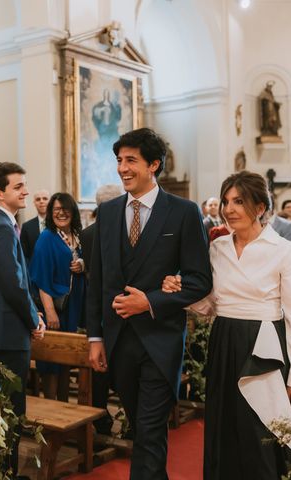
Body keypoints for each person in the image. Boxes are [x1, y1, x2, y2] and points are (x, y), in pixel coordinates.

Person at [164, 172, 291, 479]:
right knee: (226, 429)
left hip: (264, 346)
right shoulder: (217, 248)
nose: (229, 209)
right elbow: (210, 305)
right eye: (226, 201)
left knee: (263, 431)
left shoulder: (284, 251)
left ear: (260, 207)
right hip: (224, 343)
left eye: (238, 201)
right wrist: (180, 292)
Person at [87, 128, 212, 479]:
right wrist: (95, 338)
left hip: (161, 338)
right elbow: (98, 281)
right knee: (141, 429)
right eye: (119, 161)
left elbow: (200, 280)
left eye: (131, 161)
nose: (122, 168)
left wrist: (151, 302)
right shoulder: (108, 213)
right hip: (118, 339)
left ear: (153, 164)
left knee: (151, 427)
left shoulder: (183, 212)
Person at [0, 162, 46, 479]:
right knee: (8, 410)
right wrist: (33, 320)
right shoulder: (0, 227)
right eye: (18, 186)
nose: (25, 191)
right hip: (6, 331)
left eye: (24, 184)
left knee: (1, 408)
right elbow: (13, 283)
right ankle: (3, 473)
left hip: (2, 329)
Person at [30, 193, 85, 401]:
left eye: (65, 209)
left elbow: (84, 259)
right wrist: (50, 312)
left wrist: (82, 264)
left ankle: (65, 406)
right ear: (50, 214)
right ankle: (51, 410)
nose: (61, 214)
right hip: (55, 306)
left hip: (73, 306)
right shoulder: (47, 238)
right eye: (56, 210)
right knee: (51, 361)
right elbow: (41, 278)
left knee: (66, 360)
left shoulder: (76, 235)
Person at [79, 184, 123, 435]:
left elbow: (90, 276)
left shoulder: (87, 233)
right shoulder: (113, 232)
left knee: (101, 369)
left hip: (99, 307)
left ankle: (101, 414)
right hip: (120, 305)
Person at [20, 189, 50, 262]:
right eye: (38, 199)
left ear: (50, 202)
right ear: (34, 203)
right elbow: (24, 254)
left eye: (45, 198)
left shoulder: (58, 224)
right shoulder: (26, 227)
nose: (41, 201)